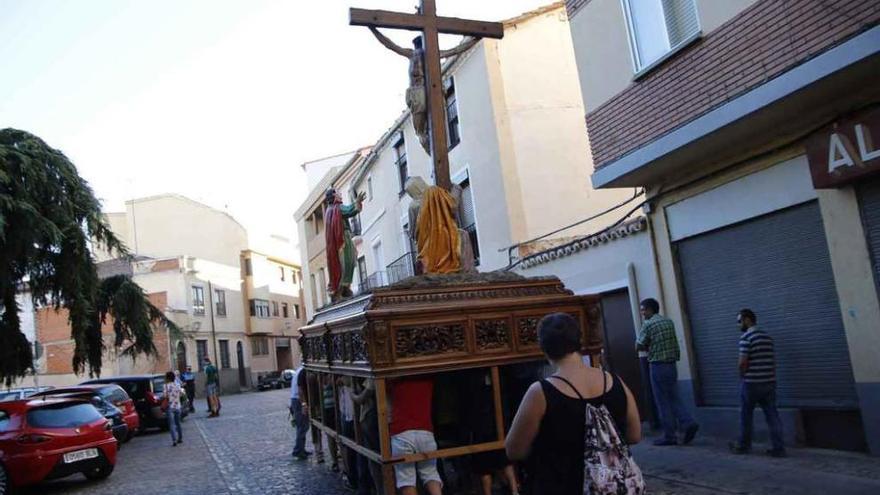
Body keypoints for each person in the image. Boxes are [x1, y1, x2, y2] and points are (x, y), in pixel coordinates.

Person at [506, 313, 643, 494]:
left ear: (543, 347)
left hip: (560, 485)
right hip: (611, 487)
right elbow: (634, 435)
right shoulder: (614, 381)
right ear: (579, 340)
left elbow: (515, 450)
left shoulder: (540, 393)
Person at [636, 298, 699, 446]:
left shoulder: (648, 324)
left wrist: (647, 346)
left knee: (662, 401)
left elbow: (639, 345)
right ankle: (687, 422)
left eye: (643, 309)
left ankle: (669, 435)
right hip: (671, 364)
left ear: (650, 310)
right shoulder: (668, 322)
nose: (642, 313)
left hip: (657, 365)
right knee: (674, 397)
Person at [729, 309, 786, 457]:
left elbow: (742, 363)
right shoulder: (767, 337)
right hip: (769, 382)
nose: (738, 325)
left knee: (746, 415)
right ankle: (779, 447)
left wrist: (742, 377)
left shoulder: (746, 338)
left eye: (739, 321)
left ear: (747, 320)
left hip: (751, 383)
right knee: (772, 415)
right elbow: (772, 361)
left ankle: (743, 445)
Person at [389, 376, 442, 495]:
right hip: (426, 430)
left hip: (401, 431)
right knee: (430, 473)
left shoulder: (395, 378)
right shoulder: (426, 376)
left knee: (406, 479)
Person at [324, 188, 365, 301]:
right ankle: (343, 288)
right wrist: (357, 202)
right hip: (342, 238)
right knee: (348, 262)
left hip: (337, 241)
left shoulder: (329, 210)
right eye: (338, 192)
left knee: (346, 262)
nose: (341, 194)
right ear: (334, 196)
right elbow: (348, 211)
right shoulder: (337, 208)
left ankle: (343, 288)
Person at [352, 378, 383, 495]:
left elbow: (363, 396)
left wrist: (353, 396)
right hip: (372, 416)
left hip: (371, 416)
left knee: (374, 457)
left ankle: (380, 489)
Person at [338, 376, 359, 488]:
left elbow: (346, 381)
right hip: (348, 411)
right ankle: (353, 477)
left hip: (351, 412)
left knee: (351, 448)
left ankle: (354, 479)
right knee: (350, 447)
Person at [290, 365, 310, 460]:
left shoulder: (299, 370)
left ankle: (301, 449)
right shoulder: (303, 371)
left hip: (295, 399)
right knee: (302, 426)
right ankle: (298, 450)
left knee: (302, 425)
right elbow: (300, 390)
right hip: (298, 400)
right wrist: (304, 404)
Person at [321, 377, 340, 472]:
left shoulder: (320, 375)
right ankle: (335, 460)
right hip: (332, 408)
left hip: (330, 407)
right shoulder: (326, 375)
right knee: (332, 435)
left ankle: (335, 460)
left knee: (332, 436)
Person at [163, 371, 183, 446]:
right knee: (178, 423)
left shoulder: (165, 386)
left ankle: (174, 440)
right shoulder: (177, 385)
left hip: (170, 407)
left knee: (171, 424)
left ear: (167, 378)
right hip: (177, 406)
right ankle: (180, 438)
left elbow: (165, 396)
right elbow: (181, 394)